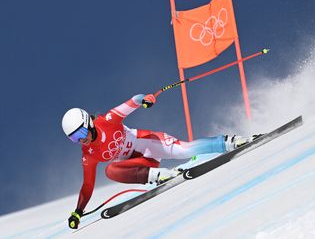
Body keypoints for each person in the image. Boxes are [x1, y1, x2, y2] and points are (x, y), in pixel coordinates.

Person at [63, 93, 256, 229]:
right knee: (110, 171)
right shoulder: (88, 153)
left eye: (81, 133)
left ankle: (230, 142)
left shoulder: (107, 121)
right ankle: (158, 176)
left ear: (88, 122)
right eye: (74, 139)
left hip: (149, 143)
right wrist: (78, 211)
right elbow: (88, 185)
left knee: (184, 150)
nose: (81, 140)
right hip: (143, 165)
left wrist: (144, 100)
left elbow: (131, 102)